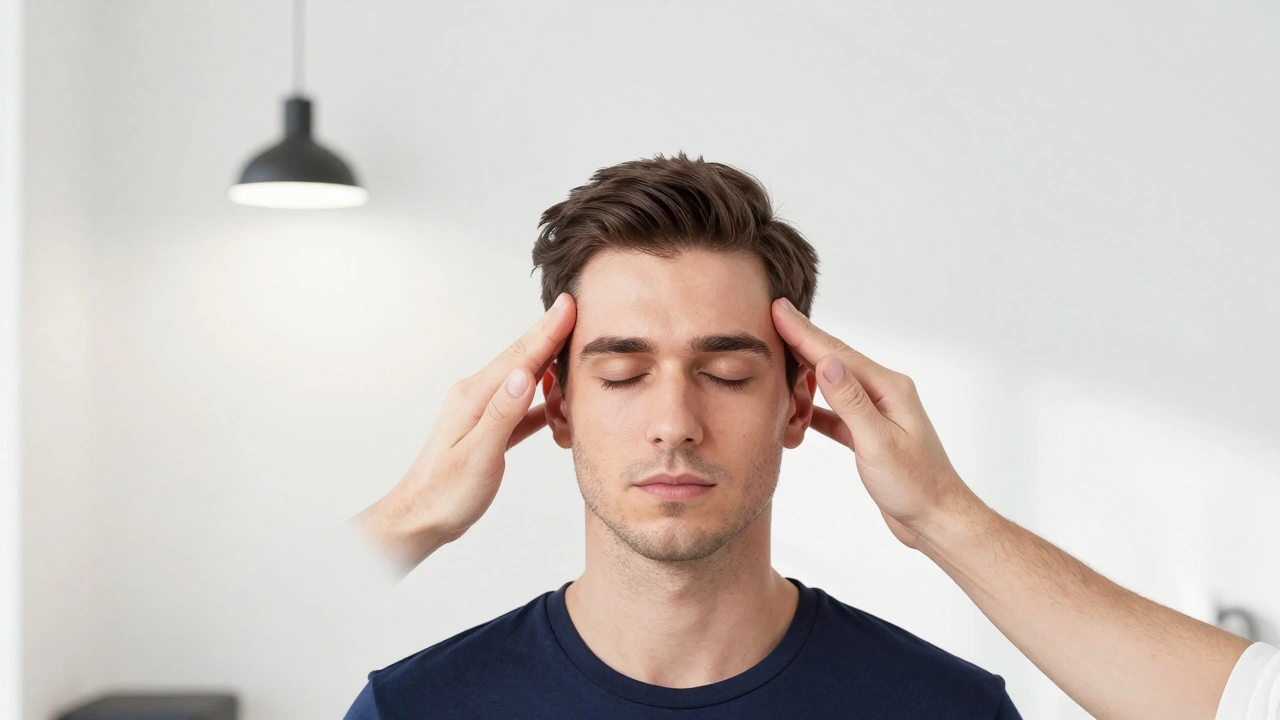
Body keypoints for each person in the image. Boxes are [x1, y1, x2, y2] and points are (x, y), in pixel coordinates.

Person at [343, 153, 1278, 720]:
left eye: (728, 373)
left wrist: (942, 512)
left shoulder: (946, 711)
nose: (674, 422)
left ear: (798, 404)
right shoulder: (413, 709)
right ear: (552, 405)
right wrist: (409, 517)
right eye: (623, 373)